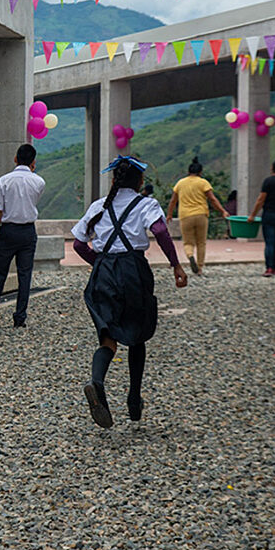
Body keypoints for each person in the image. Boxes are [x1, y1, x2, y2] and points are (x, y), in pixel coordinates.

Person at [72, 155, 187, 428]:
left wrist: (99, 264)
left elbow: (78, 244)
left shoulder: (99, 206)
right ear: (141, 182)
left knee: (108, 337)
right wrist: (176, 265)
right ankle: (134, 400)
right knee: (137, 335)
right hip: (132, 272)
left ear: (113, 180)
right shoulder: (146, 204)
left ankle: (97, 383)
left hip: (103, 274)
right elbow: (159, 229)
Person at [0, 144, 46, 329]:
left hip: (8, 230)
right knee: (25, 275)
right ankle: (19, 317)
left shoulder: (4, 180)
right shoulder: (39, 182)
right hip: (28, 231)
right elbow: (34, 201)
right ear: (33, 162)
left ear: (15, 158)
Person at [165, 157, 229, 275]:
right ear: (200, 172)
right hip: (201, 215)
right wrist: (222, 211)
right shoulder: (203, 182)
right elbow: (212, 199)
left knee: (188, 242)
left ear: (188, 172)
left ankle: (190, 255)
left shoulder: (180, 183)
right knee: (201, 242)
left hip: (185, 216)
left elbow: (173, 201)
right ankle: (199, 268)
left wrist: (169, 214)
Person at [247, 159, 275, 277]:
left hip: (270, 215)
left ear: (272, 168)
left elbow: (261, 199)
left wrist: (253, 215)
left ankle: (269, 268)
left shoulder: (268, 182)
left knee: (270, 243)